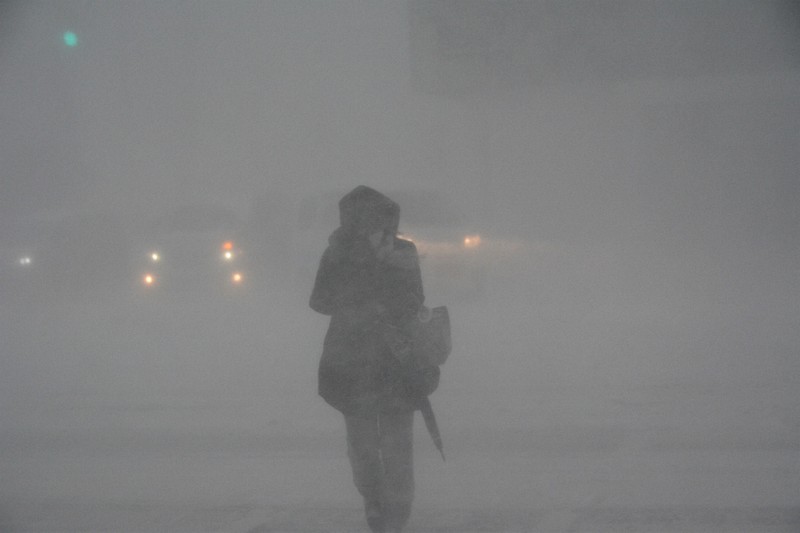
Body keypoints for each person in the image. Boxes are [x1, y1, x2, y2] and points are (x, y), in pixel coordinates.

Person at [309, 186, 437, 533]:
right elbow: (319, 300)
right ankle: (376, 505)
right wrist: (357, 299)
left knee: (396, 448)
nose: (374, 226)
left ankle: (395, 514)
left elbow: (415, 299)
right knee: (364, 449)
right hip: (353, 364)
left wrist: (383, 301)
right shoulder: (337, 254)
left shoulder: (402, 251)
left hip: (394, 362)